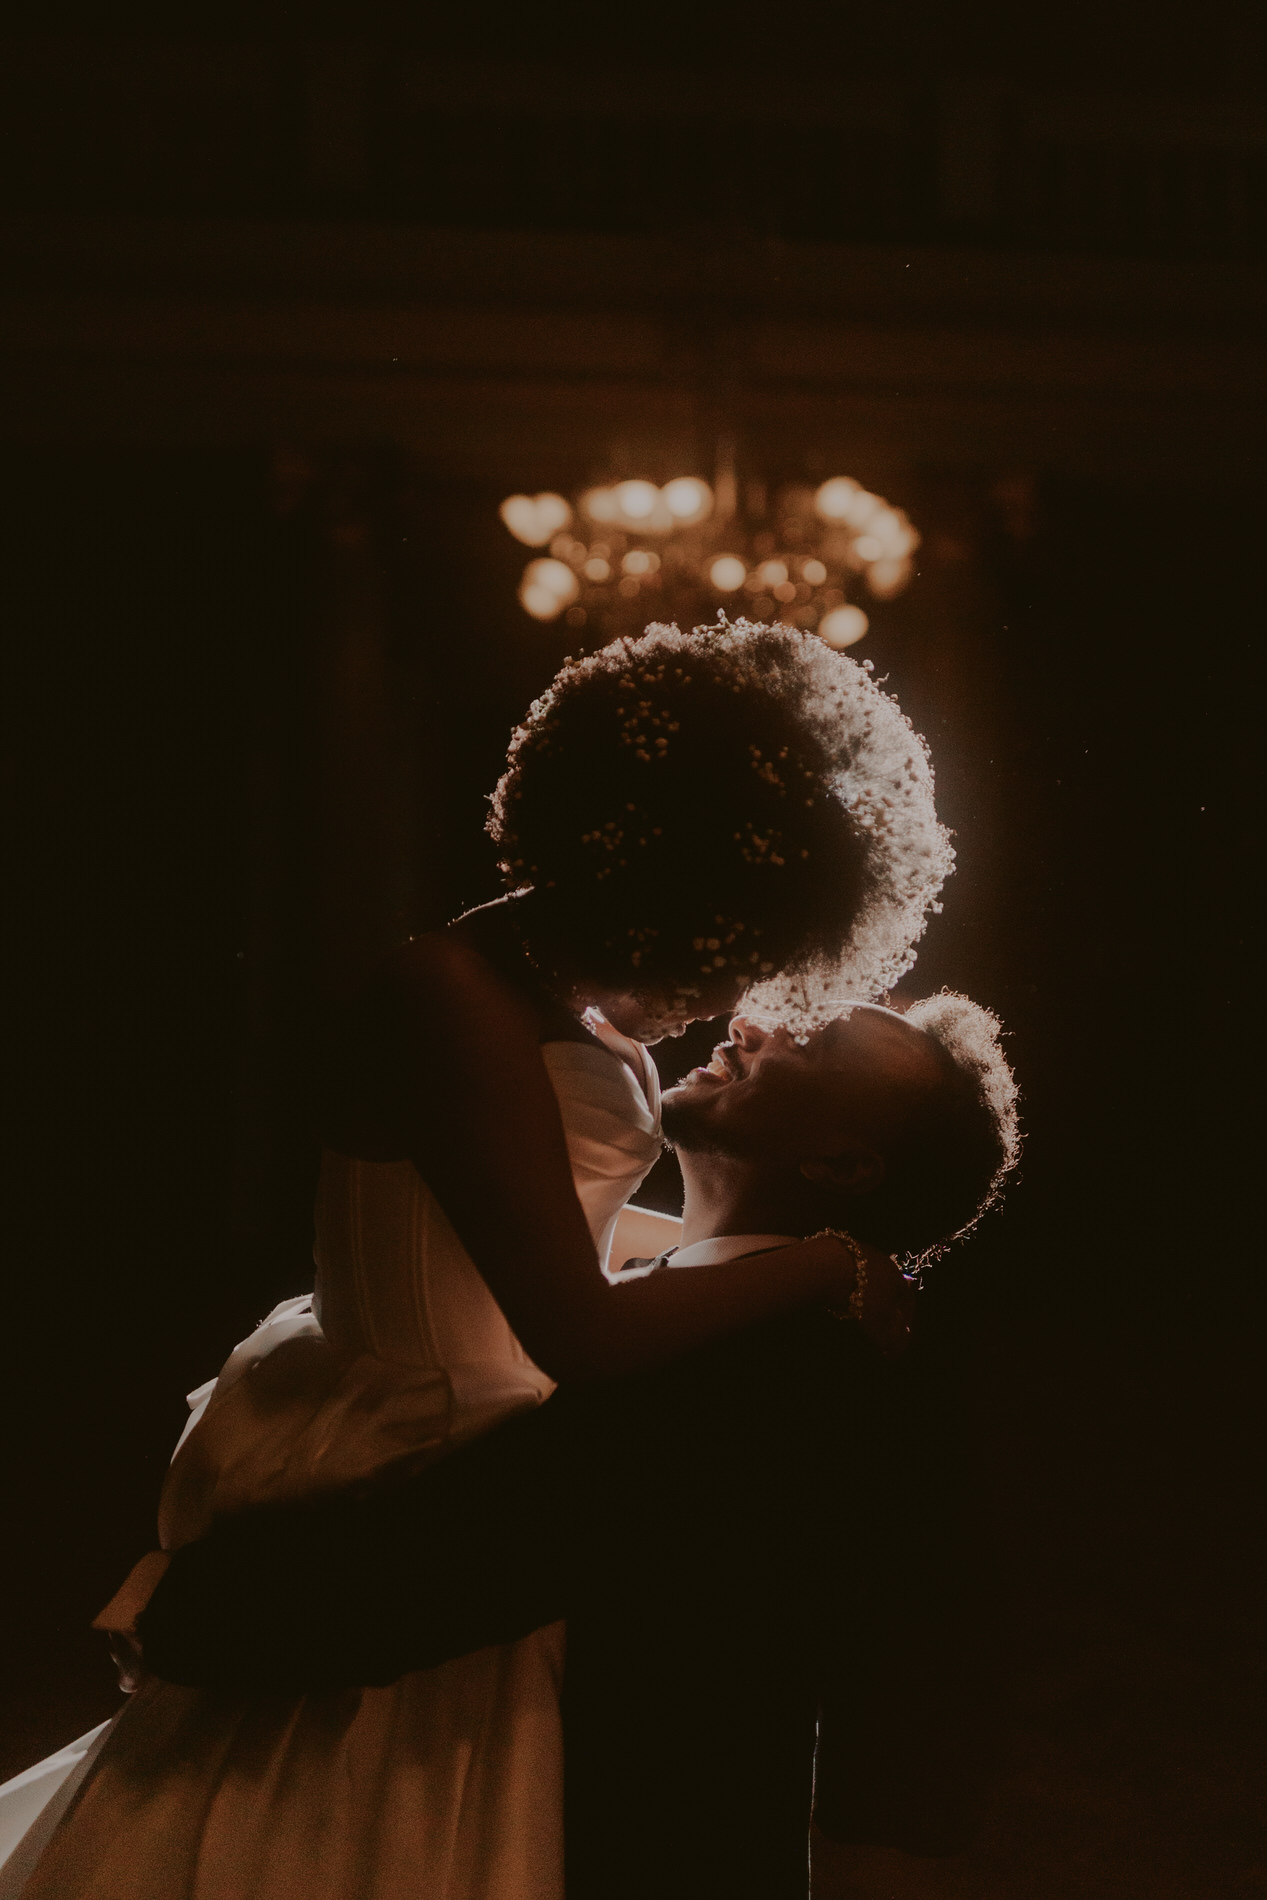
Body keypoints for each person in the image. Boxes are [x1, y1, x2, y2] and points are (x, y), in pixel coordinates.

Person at [0, 620, 953, 1900]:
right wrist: (827, 1262)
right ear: (661, 891)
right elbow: (581, 1332)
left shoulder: (560, 1000)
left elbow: (558, 1233)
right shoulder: (446, 998)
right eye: (728, 950)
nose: (735, 994)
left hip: (498, 1421)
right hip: (416, 1426)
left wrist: (741, 1257)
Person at [134, 993, 1021, 1899]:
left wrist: (169, 1612)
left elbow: (439, 1567)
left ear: (842, 1164)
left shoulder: (745, 1376)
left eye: (813, 1041)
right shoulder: (703, 1310)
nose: (752, 1023)